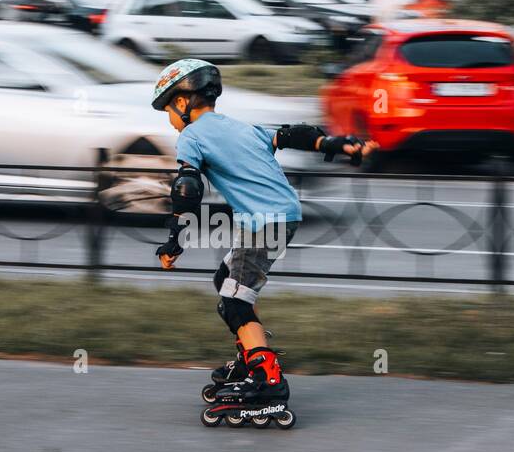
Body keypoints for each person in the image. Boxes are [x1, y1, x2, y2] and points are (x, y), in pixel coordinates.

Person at [151, 58, 375, 420]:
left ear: (182, 102)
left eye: (167, 110)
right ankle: (249, 357)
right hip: (284, 215)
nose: (170, 120)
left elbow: (187, 188)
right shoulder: (242, 128)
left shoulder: (191, 136)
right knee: (227, 282)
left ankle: (268, 380)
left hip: (264, 223)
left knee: (235, 302)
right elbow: (291, 135)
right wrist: (339, 143)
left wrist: (175, 240)